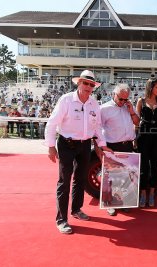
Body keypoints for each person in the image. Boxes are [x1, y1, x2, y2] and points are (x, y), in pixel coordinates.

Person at [44, 70, 111, 234]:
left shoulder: (94, 104)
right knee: (64, 181)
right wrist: (51, 146)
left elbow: (97, 128)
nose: (88, 87)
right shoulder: (66, 100)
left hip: (85, 145)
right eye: (85, 83)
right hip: (66, 144)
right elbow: (52, 124)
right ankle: (61, 219)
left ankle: (76, 210)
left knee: (80, 179)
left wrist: (102, 145)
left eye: (91, 84)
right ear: (79, 83)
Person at [100, 83, 140, 216]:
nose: (123, 102)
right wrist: (100, 147)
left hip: (127, 144)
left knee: (125, 176)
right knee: (110, 176)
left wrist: (131, 111)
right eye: (120, 99)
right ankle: (109, 204)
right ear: (114, 94)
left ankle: (123, 202)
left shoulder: (128, 107)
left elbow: (137, 122)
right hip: (112, 145)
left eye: (125, 99)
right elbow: (97, 129)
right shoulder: (104, 109)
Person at [136, 77, 157, 208]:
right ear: (150, 87)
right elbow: (136, 119)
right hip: (143, 134)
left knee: (155, 165)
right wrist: (134, 137)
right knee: (143, 165)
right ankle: (143, 193)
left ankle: (152, 193)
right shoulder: (141, 100)